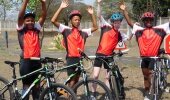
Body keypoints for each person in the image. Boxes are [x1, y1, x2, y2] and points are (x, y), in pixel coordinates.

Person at [120, 3, 170, 100]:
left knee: (151, 74)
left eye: (150, 20)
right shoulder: (139, 30)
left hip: (154, 57)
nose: (148, 21)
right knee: (145, 76)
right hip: (143, 57)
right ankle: (147, 92)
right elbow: (130, 23)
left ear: (153, 20)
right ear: (143, 21)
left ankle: (153, 91)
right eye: (146, 20)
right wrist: (124, 10)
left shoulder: (160, 29)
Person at [51, 0, 98, 88]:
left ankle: (72, 96)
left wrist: (92, 14)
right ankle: (70, 95)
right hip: (71, 59)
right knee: (71, 82)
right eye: (75, 20)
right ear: (71, 21)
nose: (77, 21)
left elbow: (95, 27)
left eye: (79, 20)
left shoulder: (83, 32)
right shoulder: (66, 30)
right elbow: (53, 20)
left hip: (80, 59)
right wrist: (61, 8)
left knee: (76, 81)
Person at [91, 0, 128, 99]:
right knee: (95, 76)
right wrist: (99, 4)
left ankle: (108, 93)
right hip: (99, 54)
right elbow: (99, 15)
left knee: (107, 77)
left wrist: (134, 29)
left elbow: (127, 39)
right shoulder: (106, 26)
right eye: (115, 22)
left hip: (109, 57)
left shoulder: (120, 34)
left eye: (118, 22)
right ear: (112, 22)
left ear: (120, 23)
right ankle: (93, 94)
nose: (117, 24)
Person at [17, 0, 46, 99]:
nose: (30, 22)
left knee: (37, 87)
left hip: (37, 61)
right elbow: (20, 16)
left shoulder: (36, 29)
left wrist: (43, 3)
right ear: (24, 21)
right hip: (26, 62)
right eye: (28, 20)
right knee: (26, 86)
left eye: (32, 20)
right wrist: (25, 1)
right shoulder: (21, 29)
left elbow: (43, 17)